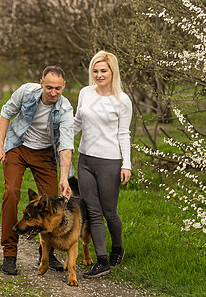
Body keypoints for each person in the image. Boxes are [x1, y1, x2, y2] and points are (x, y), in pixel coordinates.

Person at [0, 66, 74, 275]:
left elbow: (66, 145)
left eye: (58, 88)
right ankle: (9, 253)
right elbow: (5, 113)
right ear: (41, 83)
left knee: (53, 202)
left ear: (64, 86)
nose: (53, 93)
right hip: (18, 147)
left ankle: (46, 253)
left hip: (45, 153)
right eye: (49, 87)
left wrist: (64, 178)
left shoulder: (65, 109)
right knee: (11, 193)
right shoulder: (26, 92)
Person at [74, 51, 133, 278]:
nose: (98, 75)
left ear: (112, 72)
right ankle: (102, 260)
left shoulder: (122, 100)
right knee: (93, 211)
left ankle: (117, 247)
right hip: (85, 159)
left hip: (110, 162)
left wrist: (126, 164)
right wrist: (63, 142)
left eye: (103, 71)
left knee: (109, 212)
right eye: (95, 71)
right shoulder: (85, 93)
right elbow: (77, 122)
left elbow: (124, 133)